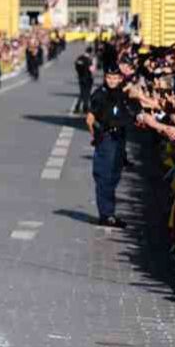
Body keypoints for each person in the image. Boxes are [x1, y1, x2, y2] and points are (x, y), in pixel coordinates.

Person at [85, 62, 133, 227]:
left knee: (114, 176)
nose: (112, 81)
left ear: (120, 79)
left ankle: (108, 213)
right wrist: (97, 136)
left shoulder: (121, 93)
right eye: (109, 77)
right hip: (106, 138)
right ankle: (106, 215)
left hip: (119, 138)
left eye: (115, 78)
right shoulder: (100, 94)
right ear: (105, 78)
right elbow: (90, 119)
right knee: (104, 177)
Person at [74, 48, 95, 116]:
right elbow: (92, 69)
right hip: (88, 78)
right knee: (86, 93)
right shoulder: (89, 60)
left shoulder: (79, 58)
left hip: (81, 77)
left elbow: (76, 66)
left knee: (82, 92)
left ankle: (77, 106)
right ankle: (85, 107)